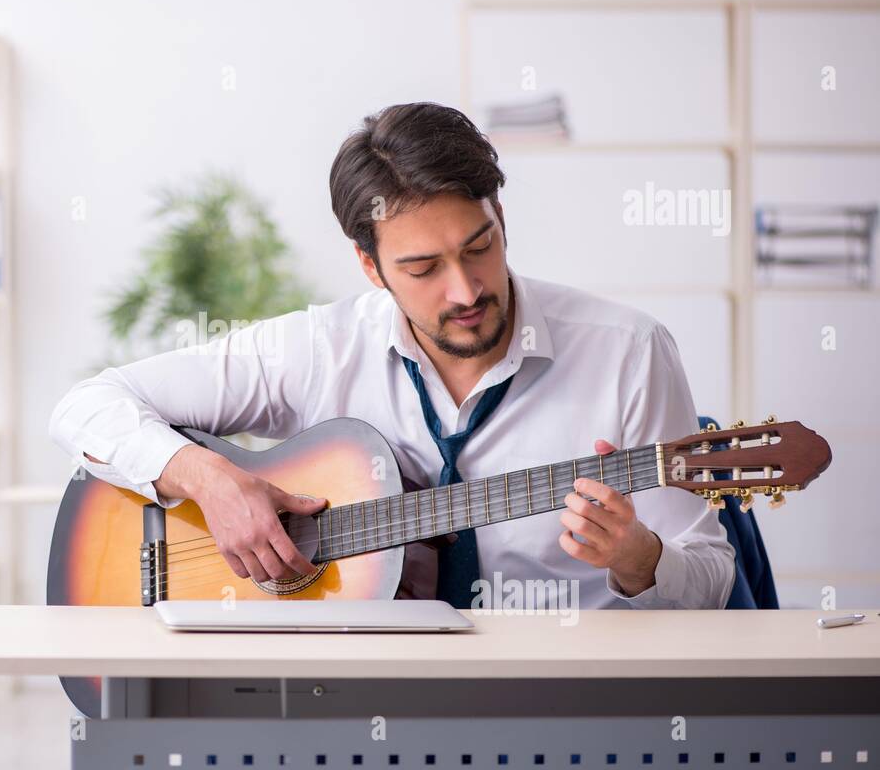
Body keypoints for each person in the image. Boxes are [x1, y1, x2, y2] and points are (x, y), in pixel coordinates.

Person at [49, 102, 735, 609]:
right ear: (370, 266)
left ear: (501, 218)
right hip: (357, 701)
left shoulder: (629, 352)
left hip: (560, 699)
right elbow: (87, 406)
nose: (465, 289)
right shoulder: (319, 348)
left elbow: (711, 572)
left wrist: (640, 562)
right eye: (422, 267)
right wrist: (208, 478)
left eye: (478, 247)